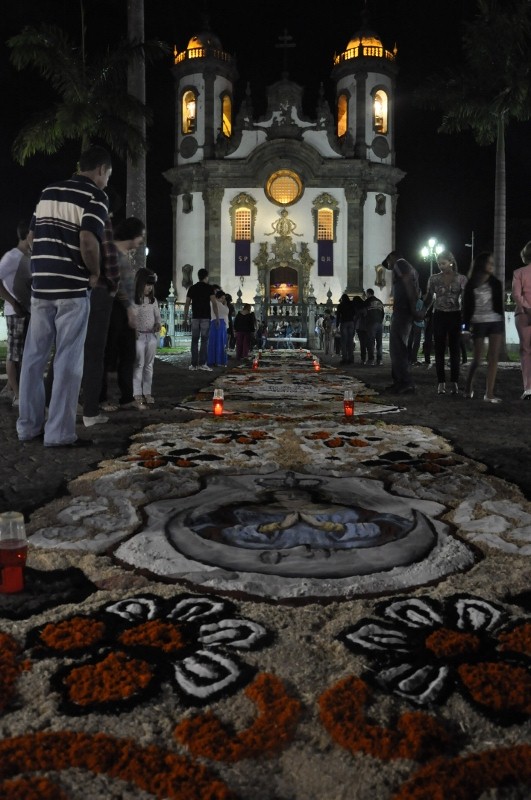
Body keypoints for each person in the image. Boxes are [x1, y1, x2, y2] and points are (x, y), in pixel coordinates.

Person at [16, 145, 112, 447]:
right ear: (101, 170)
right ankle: (59, 432)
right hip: (72, 287)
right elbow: (88, 240)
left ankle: (28, 427)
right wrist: (94, 271)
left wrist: (46, 262)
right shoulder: (95, 196)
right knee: (68, 360)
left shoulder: (48, 192)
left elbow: (31, 237)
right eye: (108, 175)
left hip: (42, 286)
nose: (106, 181)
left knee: (34, 359)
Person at [80, 191, 122, 428]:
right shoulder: (102, 220)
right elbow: (110, 257)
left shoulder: (77, 215)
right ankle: (90, 410)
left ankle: (49, 404)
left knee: (68, 349)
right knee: (95, 352)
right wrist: (113, 284)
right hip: (99, 290)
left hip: (76, 289)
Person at [100, 217, 146, 411]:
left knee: (128, 353)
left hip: (125, 308)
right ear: (132, 235)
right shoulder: (113, 253)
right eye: (140, 236)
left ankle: (127, 397)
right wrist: (129, 307)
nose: (141, 241)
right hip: (114, 308)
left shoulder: (123, 254)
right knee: (107, 354)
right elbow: (117, 284)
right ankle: (101, 398)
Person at [423, 249, 467, 395]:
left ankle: (454, 382)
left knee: (455, 350)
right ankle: (441, 382)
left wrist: (467, 316)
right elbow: (429, 297)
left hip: (455, 315)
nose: (441, 266)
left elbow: (466, 299)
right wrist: (422, 311)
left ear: (451, 262)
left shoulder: (461, 279)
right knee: (439, 349)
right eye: (439, 264)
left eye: (443, 263)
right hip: (439, 315)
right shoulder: (434, 279)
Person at [462, 251, 504, 403]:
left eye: (493, 263)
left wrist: (501, 322)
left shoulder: (496, 283)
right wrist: (465, 328)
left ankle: (489, 394)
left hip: (495, 321)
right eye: (489, 263)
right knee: (477, 359)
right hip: (478, 322)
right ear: (481, 264)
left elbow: (500, 306)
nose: (492, 266)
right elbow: (466, 309)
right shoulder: (471, 284)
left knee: (493, 358)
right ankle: (468, 388)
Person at [0, 220, 32, 407]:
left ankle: (12, 388)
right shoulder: (12, 256)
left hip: (28, 311)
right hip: (15, 312)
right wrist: (13, 302)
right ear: (27, 235)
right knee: (14, 353)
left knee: (25, 353)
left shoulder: (29, 256)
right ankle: (17, 394)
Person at [382, 250, 424, 394]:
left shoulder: (399, 264)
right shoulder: (412, 268)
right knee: (400, 347)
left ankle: (405, 382)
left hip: (403, 310)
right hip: (406, 310)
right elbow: (416, 290)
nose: (390, 268)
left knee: (397, 348)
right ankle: (399, 381)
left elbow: (408, 284)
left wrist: (413, 308)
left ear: (391, 257)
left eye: (388, 264)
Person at [132, 268, 161, 404]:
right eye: (147, 285)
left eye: (151, 285)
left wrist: (158, 324)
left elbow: (157, 316)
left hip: (151, 336)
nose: (149, 288)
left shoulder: (153, 301)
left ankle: (147, 392)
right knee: (139, 364)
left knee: (149, 365)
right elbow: (131, 317)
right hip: (138, 337)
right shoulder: (134, 300)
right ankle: (137, 392)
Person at [183, 267, 218, 371]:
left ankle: (193, 364)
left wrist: (185, 319)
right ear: (206, 277)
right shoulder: (209, 288)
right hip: (205, 317)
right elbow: (214, 303)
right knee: (204, 341)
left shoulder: (192, 288)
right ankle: (202, 363)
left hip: (195, 317)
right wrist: (217, 317)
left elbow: (187, 304)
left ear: (198, 277)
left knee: (194, 341)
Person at [511, 240, 531, 399]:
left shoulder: (519, 272)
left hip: (523, 313)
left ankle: (528, 388)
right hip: (525, 313)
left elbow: (516, 295)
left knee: (525, 350)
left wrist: (527, 307)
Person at [207, 288, 229, 367]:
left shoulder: (216, 303)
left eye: (224, 298)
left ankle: (214, 360)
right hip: (219, 323)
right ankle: (218, 360)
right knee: (219, 342)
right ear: (217, 297)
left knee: (216, 342)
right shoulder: (216, 303)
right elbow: (226, 311)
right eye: (222, 298)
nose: (223, 300)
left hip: (217, 323)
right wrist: (225, 305)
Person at [364, 288, 384, 365]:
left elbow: (364, 312)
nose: (366, 295)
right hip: (380, 323)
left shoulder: (367, 301)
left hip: (371, 323)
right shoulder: (379, 301)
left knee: (371, 342)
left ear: (368, 293)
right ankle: (379, 360)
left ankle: (371, 360)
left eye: (366, 294)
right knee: (379, 342)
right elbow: (382, 313)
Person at [335, 293, 356, 364]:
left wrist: (337, 325)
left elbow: (338, 315)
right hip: (351, 323)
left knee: (344, 341)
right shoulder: (352, 304)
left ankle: (344, 358)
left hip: (344, 323)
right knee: (350, 341)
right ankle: (351, 358)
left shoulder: (340, 305)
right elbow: (355, 314)